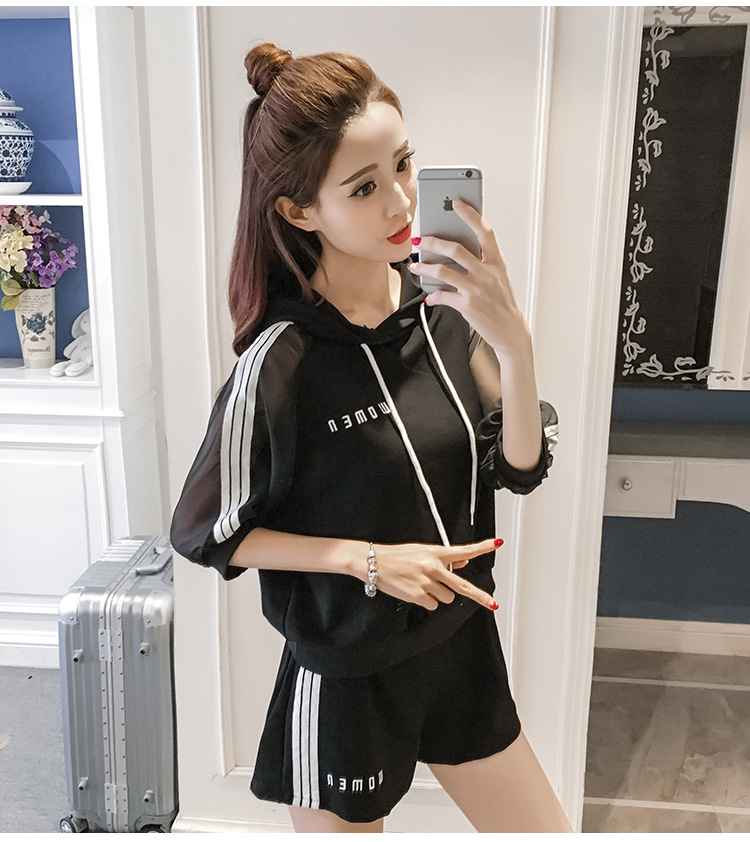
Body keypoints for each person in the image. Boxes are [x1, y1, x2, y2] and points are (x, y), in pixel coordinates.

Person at [169, 42, 571, 834]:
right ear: (299, 211)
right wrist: (366, 560)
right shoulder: (280, 363)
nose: (402, 203)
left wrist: (516, 345)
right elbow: (205, 531)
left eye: (404, 166)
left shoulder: (442, 308)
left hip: (461, 647)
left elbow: (520, 467)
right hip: (347, 677)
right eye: (364, 187)